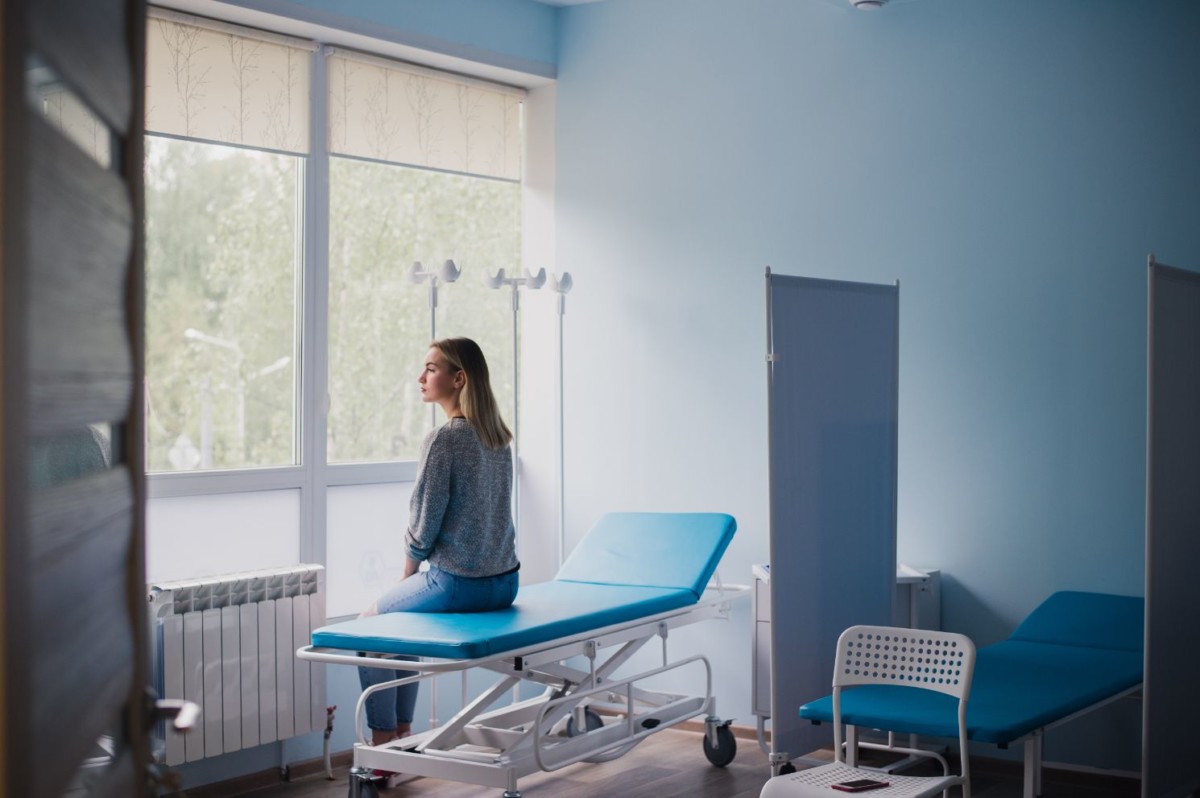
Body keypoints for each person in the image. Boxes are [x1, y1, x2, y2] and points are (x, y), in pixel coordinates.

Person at [358, 337, 519, 751]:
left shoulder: (444, 439)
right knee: (400, 627)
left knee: (369, 628)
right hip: (504, 584)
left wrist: (406, 575)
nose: (421, 376)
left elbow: (424, 522)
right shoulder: (498, 437)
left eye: (431, 368)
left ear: (458, 378)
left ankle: (381, 745)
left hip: (460, 584)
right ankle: (404, 735)